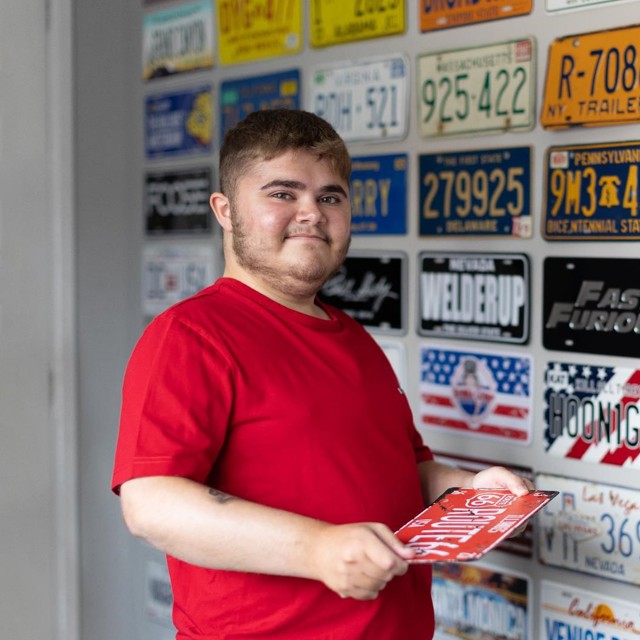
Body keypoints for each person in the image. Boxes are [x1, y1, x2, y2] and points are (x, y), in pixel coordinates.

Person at [112, 109, 532, 639]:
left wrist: (470, 490)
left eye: (329, 197)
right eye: (283, 193)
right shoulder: (192, 335)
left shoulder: (353, 337)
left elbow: (408, 472)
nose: (311, 212)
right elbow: (152, 506)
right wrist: (318, 549)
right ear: (225, 210)